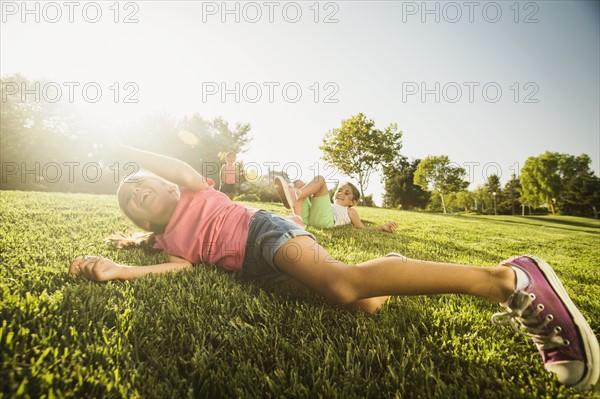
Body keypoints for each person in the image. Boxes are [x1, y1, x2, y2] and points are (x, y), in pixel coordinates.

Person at [69, 144, 599, 390]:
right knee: (366, 302)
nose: (138, 192)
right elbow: (180, 269)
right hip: (260, 270)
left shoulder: (190, 188)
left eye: (140, 181)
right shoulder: (169, 239)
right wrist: (120, 269)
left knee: (344, 286)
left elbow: (179, 165)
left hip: (268, 235)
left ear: (165, 182)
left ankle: (507, 279)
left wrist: (124, 146)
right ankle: (390, 265)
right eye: (130, 198)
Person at [275, 175, 397, 232]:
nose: (341, 194)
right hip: (310, 218)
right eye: (339, 190)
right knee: (299, 182)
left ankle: (294, 194)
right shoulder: (328, 205)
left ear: (353, 202)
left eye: (347, 193)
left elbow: (362, 228)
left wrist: (382, 227)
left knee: (320, 179)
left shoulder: (350, 211)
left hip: (327, 220)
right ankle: (297, 219)